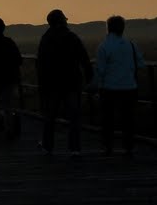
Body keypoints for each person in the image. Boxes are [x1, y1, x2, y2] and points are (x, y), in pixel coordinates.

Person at [36, 9, 92, 156]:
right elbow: (84, 58)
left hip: (51, 84)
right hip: (71, 82)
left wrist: (41, 85)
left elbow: (40, 64)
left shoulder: (46, 39)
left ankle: (48, 146)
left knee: (50, 116)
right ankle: (74, 148)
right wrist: (89, 76)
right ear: (62, 21)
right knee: (74, 116)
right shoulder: (71, 37)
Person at [96, 15, 145, 156]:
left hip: (109, 88)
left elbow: (101, 69)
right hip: (129, 87)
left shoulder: (104, 46)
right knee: (128, 119)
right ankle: (128, 145)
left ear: (108, 28)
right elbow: (140, 64)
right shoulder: (131, 45)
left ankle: (107, 145)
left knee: (108, 119)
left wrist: (96, 84)